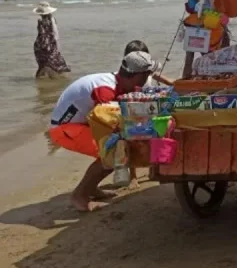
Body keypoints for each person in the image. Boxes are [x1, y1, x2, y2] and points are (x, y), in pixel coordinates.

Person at [49, 51, 157, 211]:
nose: (149, 78)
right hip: (65, 129)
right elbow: (111, 122)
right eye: (147, 74)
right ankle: (79, 196)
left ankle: (91, 188)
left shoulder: (119, 82)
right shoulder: (105, 89)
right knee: (115, 153)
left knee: (116, 149)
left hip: (82, 123)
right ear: (135, 75)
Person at [33, 2, 71, 78]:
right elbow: (55, 33)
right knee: (54, 59)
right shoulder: (52, 20)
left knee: (44, 62)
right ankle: (52, 75)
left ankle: (43, 76)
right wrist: (57, 44)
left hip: (42, 44)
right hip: (49, 43)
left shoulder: (41, 21)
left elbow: (42, 34)